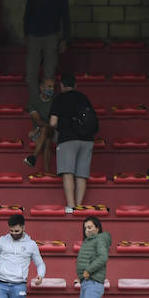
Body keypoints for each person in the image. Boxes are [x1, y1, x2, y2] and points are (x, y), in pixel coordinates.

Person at [48, 72, 100, 211]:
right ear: (76, 85)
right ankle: (79, 205)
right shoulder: (83, 97)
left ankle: (71, 206)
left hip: (68, 139)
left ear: (62, 85)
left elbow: (53, 122)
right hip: (87, 139)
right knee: (81, 174)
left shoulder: (60, 98)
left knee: (68, 172)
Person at [23, 0, 70, 106]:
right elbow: (27, 13)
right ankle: (34, 101)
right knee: (31, 73)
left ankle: (46, 103)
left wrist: (65, 40)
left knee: (49, 73)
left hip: (52, 36)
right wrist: (26, 33)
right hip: (34, 36)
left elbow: (65, 18)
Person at [22, 76, 56, 172]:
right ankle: (46, 171)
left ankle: (33, 157)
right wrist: (38, 129)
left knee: (45, 131)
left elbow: (57, 122)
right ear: (41, 88)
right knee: (47, 138)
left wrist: (38, 129)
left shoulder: (56, 100)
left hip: (55, 131)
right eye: (49, 87)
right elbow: (38, 120)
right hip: (40, 132)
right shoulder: (33, 101)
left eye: (53, 87)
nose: (52, 89)